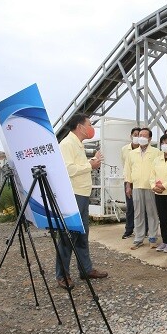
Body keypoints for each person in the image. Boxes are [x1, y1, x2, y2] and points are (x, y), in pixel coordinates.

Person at [57, 114, 108, 290]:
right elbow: (68, 169)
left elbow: (77, 165)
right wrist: (90, 165)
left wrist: (91, 161)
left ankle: (85, 269)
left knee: (82, 234)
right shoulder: (67, 144)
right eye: (89, 124)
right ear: (80, 127)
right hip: (73, 195)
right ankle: (63, 275)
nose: (91, 127)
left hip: (82, 194)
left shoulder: (77, 144)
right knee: (68, 235)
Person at [125, 127, 160, 249]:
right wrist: (128, 185)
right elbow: (128, 170)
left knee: (152, 212)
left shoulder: (156, 152)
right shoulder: (132, 154)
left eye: (144, 136)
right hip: (137, 186)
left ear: (150, 138)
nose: (141, 138)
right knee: (138, 213)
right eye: (140, 135)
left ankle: (153, 237)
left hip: (151, 187)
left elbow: (159, 169)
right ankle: (139, 238)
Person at [121, 127, 141, 239]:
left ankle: (144, 230)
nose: (137, 137)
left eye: (139, 135)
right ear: (131, 136)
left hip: (141, 181)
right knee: (130, 207)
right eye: (135, 134)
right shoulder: (124, 149)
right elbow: (125, 166)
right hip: (129, 181)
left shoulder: (144, 149)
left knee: (142, 207)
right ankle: (128, 230)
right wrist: (127, 182)